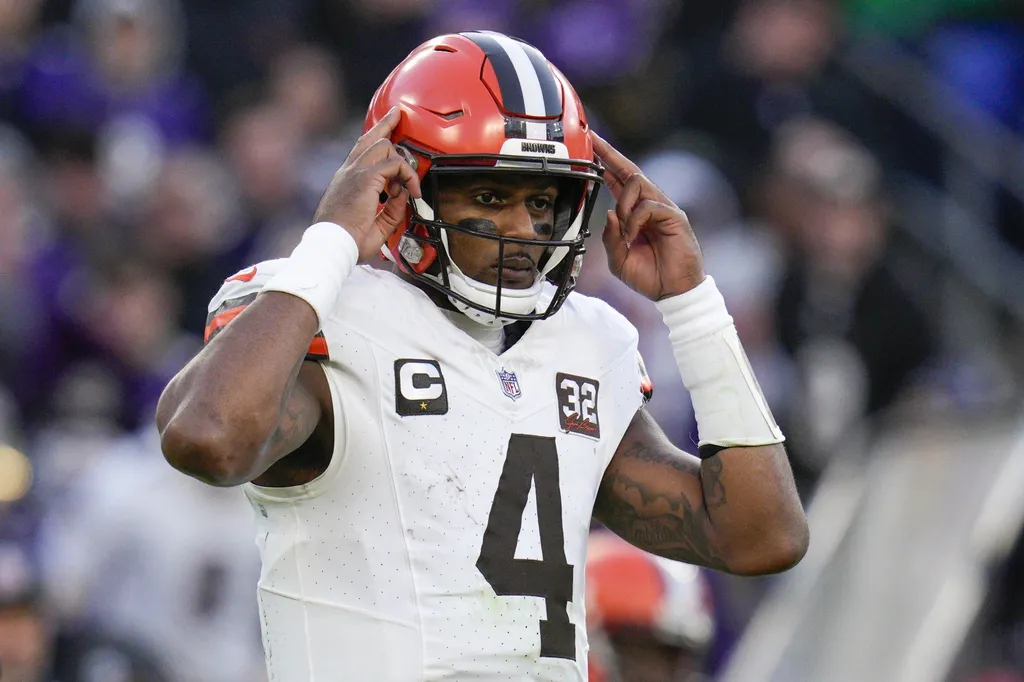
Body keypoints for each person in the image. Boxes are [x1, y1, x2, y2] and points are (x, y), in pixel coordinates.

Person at [157, 31, 808, 681]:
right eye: (492, 197)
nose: (525, 229)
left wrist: (692, 305)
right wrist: (328, 245)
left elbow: (759, 536)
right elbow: (208, 440)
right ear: (396, 187)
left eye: (543, 200)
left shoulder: (585, 341)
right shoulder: (323, 311)